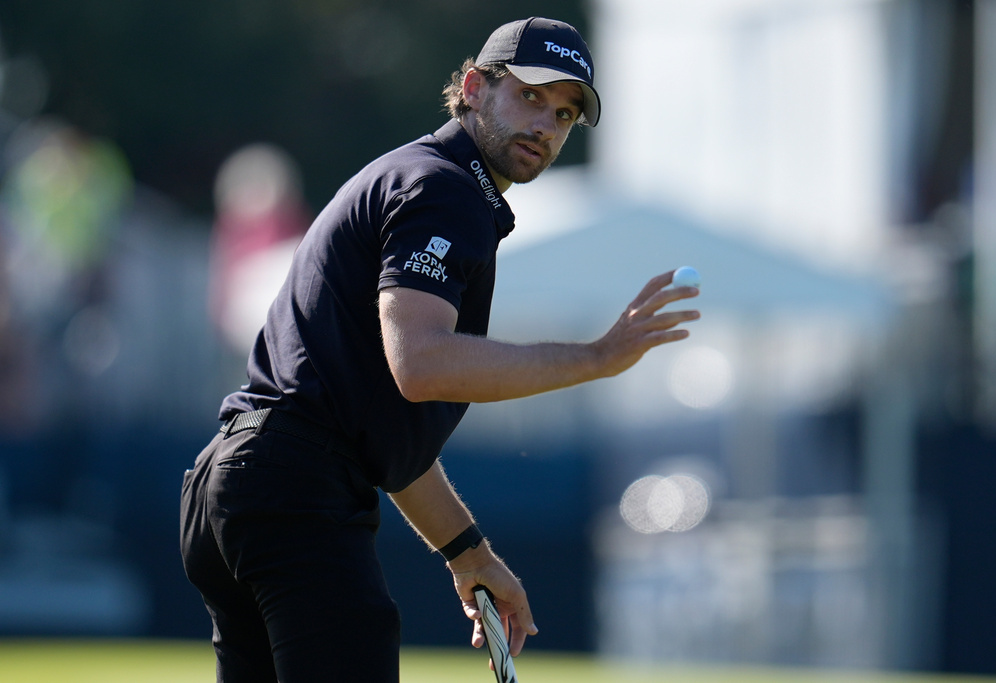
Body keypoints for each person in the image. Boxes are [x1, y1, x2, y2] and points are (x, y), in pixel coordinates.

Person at [180, 16, 700, 683]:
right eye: (532, 96)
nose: (547, 124)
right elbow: (421, 365)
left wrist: (468, 552)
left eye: (566, 113)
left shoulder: (424, 178)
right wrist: (598, 356)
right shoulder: (445, 189)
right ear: (476, 88)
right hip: (291, 489)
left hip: (234, 484)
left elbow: (377, 428)